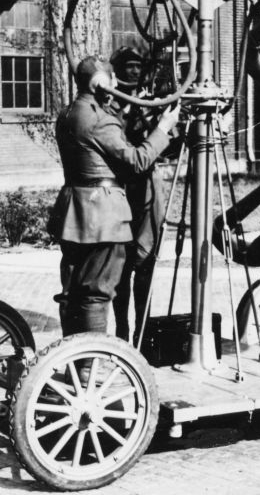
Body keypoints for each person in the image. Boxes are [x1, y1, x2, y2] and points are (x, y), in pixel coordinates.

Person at [48, 54, 180, 338]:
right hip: (103, 217)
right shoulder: (100, 120)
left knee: (73, 290)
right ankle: (89, 367)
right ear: (102, 84)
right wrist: (163, 128)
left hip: (74, 214)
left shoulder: (67, 114)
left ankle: (73, 357)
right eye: (113, 80)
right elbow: (137, 160)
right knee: (97, 291)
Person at [110, 46, 172, 345]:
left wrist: (154, 116)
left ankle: (142, 332)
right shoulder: (110, 101)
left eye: (137, 66)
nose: (133, 71)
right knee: (121, 268)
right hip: (123, 187)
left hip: (147, 185)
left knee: (146, 262)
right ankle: (122, 332)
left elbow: (166, 141)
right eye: (128, 66)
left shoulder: (150, 101)